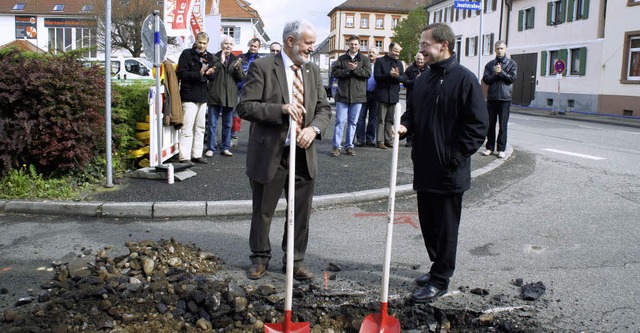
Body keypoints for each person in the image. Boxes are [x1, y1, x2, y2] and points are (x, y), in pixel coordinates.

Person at [397, 23, 488, 303]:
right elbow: (412, 114)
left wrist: (455, 156)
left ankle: (440, 279)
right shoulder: (422, 79)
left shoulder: (465, 80)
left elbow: (478, 125)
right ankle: (437, 266)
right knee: (429, 224)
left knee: (446, 227)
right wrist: (403, 127)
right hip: (424, 166)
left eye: (425, 44)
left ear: (443, 45)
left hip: (450, 170)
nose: (421, 49)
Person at [236, 19, 332, 281]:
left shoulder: (311, 71)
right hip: (270, 154)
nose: (312, 48)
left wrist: (313, 129)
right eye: (308, 43)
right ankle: (259, 257)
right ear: (291, 42)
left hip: (303, 154)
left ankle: (295, 259)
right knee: (263, 210)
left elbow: (324, 109)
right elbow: (245, 107)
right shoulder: (263, 67)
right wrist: (281, 109)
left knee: (300, 212)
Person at [176, 31, 216, 164]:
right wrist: (198, 74)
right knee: (187, 128)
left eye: (204, 43)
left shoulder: (209, 57)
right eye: (200, 42)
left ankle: (197, 154)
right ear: (196, 42)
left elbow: (213, 77)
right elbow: (181, 73)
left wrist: (210, 74)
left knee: (200, 127)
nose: (202, 46)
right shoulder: (186, 54)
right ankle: (184, 156)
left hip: (203, 95)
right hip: (189, 95)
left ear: (207, 44)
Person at [330, 36, 371, 156]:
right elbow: (335, 72)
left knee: (353, 122)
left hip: (358, 96)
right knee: (340, 122)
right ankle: (336, 146)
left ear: (359, 45)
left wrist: (355, 69)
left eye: (356, 44)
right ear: (348, 45)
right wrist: (348, 70)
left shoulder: (364, 59)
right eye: (351, 44)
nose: (353, 46)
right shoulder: (341, 59)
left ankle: (349, 146)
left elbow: (367, 73)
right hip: (343, 96)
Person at [205, 35, 245, 157]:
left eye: (230, 44)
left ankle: (225, 147)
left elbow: (241, 78)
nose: (228, 46)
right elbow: (210, 76)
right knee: (212, 123)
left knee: (227, 124)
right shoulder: (214, 57)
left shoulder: (236, 59)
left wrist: (238, 69)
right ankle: (210, 148)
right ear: (221, 45)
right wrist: (221, 62)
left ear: (233, 46)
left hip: (229, 96)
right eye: (226, 43)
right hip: (215, 95)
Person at [481, 40, 517, 159]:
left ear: (505, 49)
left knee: (503, 125)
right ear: (495, 50)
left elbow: (512, 78)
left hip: (505, 98)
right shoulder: (490, 64)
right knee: (490, 124)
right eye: (498, 48)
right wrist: (495, 74)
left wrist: (501, 73)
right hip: (492, 98)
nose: (500, 50)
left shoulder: (511, 63)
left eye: (502, 48)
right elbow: (486, 79)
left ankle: (501, 149)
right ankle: (489, 147)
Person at [374, 42, 405, 149]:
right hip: (382, 94)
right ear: (390, 49)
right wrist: (389, 74)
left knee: (390, 120)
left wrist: (396, 76)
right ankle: (380, 141)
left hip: (393, 95)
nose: (397, 54)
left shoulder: (400, 63)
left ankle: (388, 140)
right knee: (381, 119)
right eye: (395, 51)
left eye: (398, 52)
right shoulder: (380, 61)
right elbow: (377, 76)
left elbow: (403, 78)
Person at [233, 38, 263, 147]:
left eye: (255, 46)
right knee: (236, 113)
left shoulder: (261, 60)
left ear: (259, 47)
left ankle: (254, 138)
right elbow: (235, 73)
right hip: (240, 89)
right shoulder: (241, 57)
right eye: (252, 46)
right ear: (249, 45)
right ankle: (234, 136)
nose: (253, 48)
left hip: (253, 90)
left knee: (253, 114)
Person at [402, 52, 428, 147]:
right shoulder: (409, 69)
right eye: (418, 59)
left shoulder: (428, 69)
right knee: (410, 118)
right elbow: (405, 82)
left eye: (421, 59)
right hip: (411, 98)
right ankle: (409, 140)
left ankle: (419, 139)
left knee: (421, 118)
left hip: (424, 98)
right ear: (415, 59)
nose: (420, 61)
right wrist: (415, 81)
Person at [355, 47, 379, 147]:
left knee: (373, 118)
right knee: (361, 117)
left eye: (373, 52)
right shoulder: (363, 63)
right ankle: (360, 139)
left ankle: (370, 139)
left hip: (375, 94)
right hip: (363, 94)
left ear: (377, 55)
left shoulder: (379, 65)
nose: (371, 54)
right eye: (369, 52)